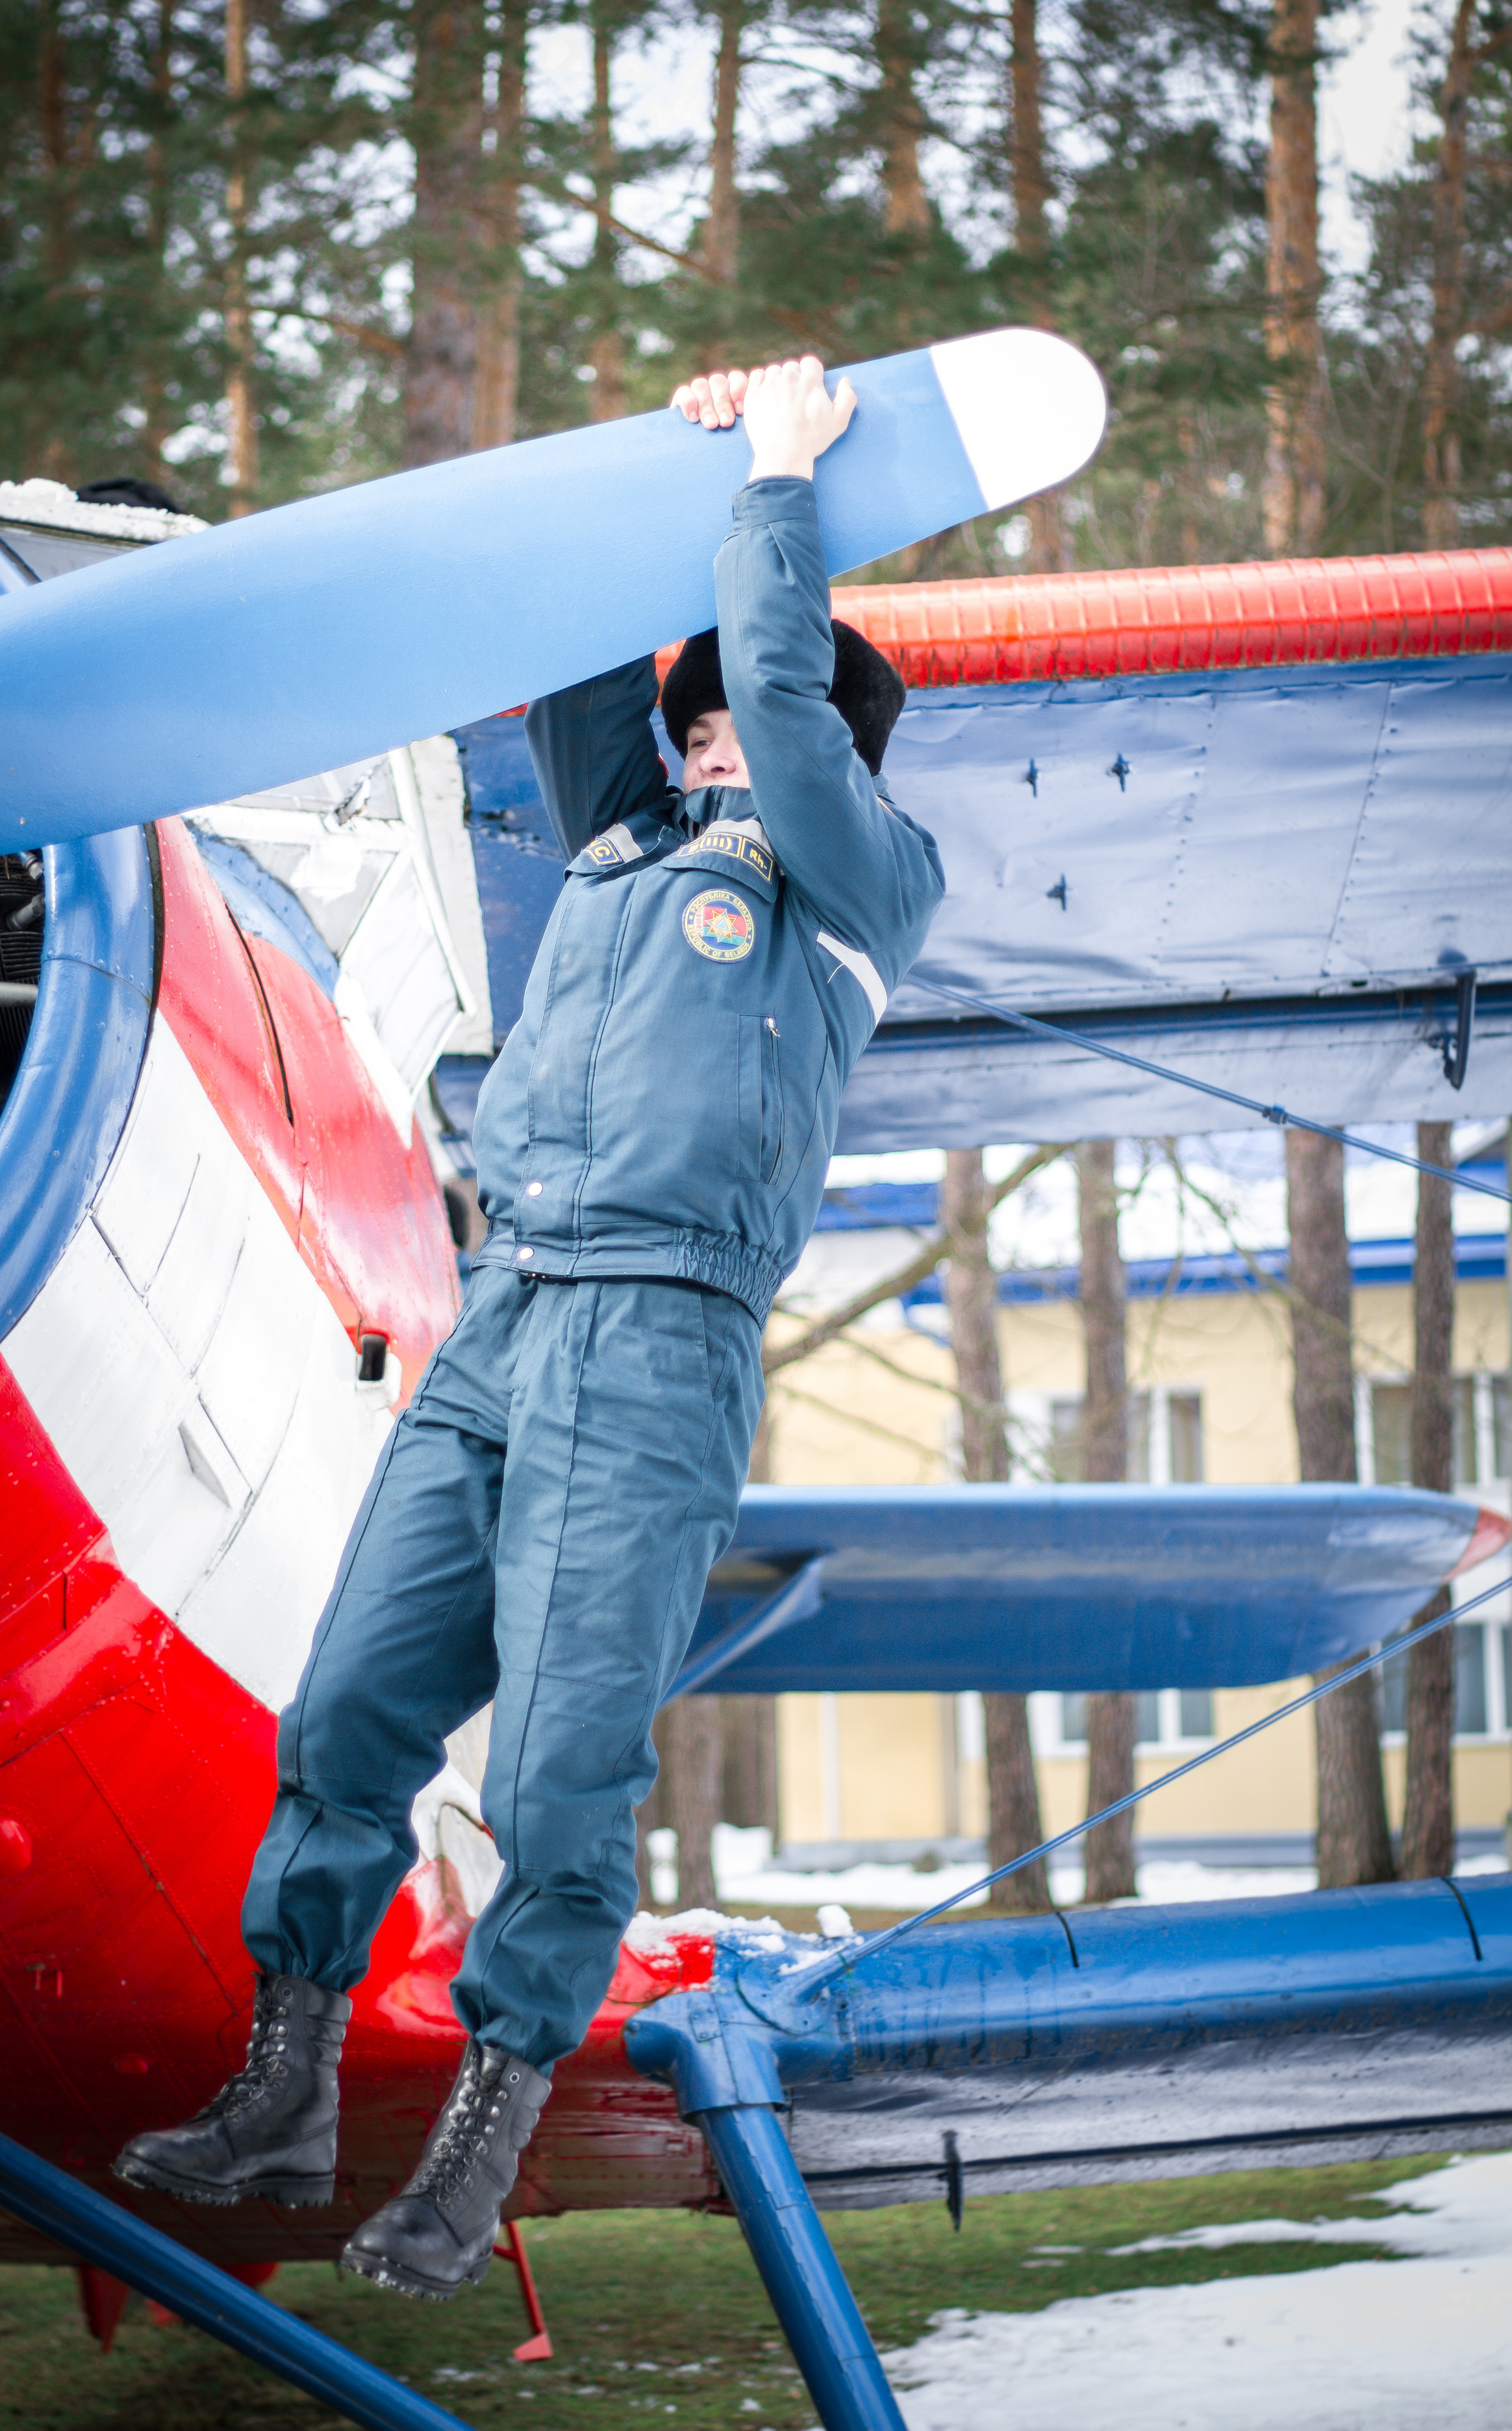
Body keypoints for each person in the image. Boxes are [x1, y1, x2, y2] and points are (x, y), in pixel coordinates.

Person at [114, 355, 946, 2300]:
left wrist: (779, 472)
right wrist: (641, 471)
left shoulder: (858, 880)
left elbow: (791, 689)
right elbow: (570, 661)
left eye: (760, 713)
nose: (722, 738)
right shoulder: (622, 849)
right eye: (708, 718)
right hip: (506, 1314)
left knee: (563, 1766)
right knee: (344, 1715)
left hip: (660, 1339)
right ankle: (286, 2091)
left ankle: (480, 2152)